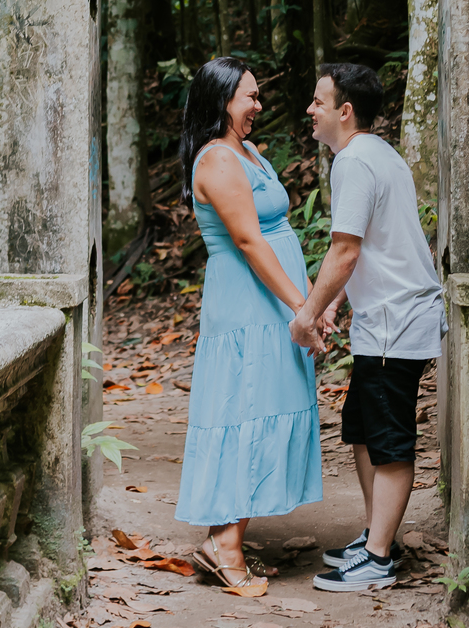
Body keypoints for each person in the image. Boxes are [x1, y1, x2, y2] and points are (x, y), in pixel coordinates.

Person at [290, 62, 446, 592]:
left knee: (389, 438)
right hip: (388, 319)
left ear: (345, 110)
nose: (310, 110)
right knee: (360, 426)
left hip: (395, 325)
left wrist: (307, 312)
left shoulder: (355, 161)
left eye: (318, 101)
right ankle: (377, 535)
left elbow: (346, 248)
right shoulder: (380, 154)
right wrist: (333, 302)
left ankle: (378, 559)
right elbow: (374, 247)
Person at [174, 55, 321, 596]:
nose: (258, 106)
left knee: (264, 407)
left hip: (271, 303)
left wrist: (306, 302)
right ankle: (225, 545)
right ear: (221, 102)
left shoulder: (248, 152)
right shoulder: (215, 161)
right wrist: (302, 307)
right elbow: (249, 242)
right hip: (247, 306)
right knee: (246, 407)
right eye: (249, 97)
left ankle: (227, 539)